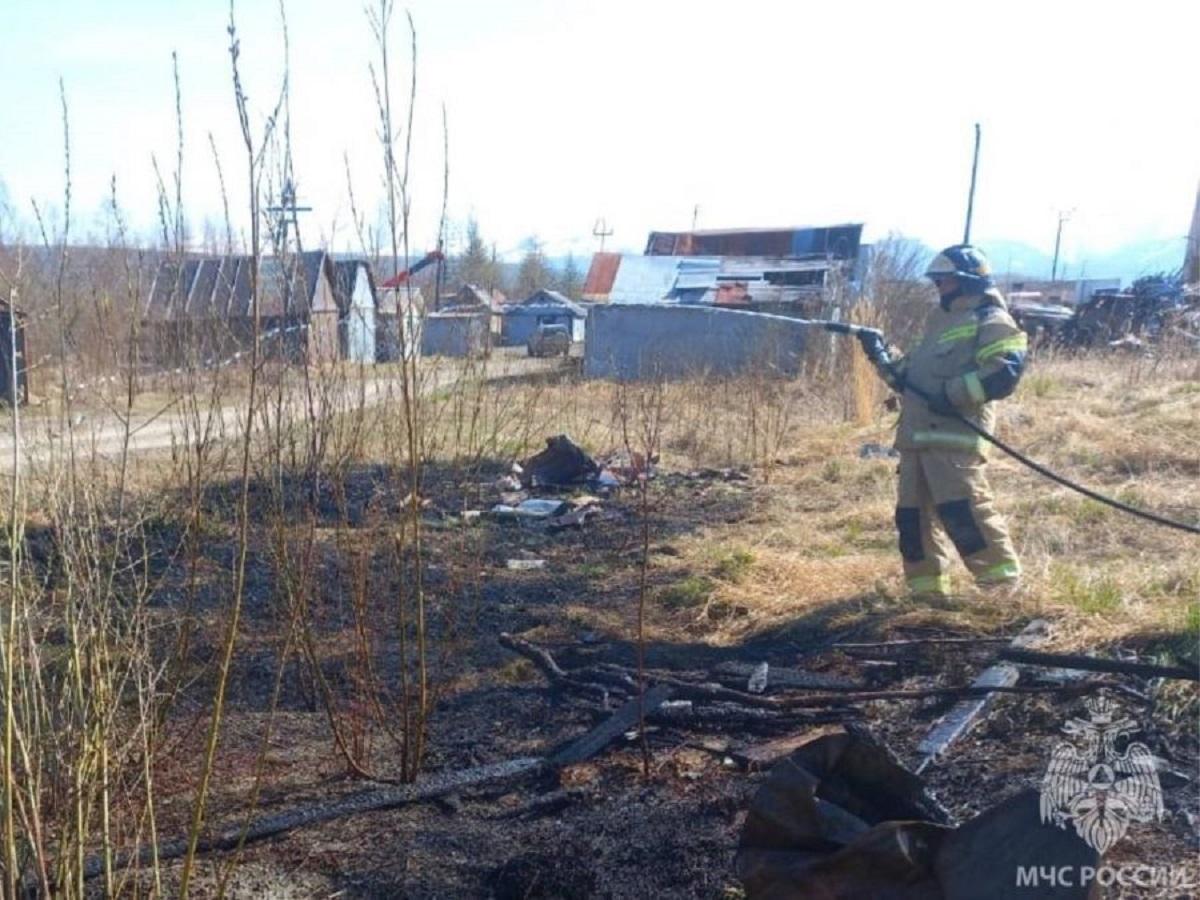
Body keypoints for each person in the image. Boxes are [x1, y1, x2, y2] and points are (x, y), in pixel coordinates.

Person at [858, 244, 1028, 602]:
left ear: (967, 280)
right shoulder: (939, 322)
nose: (938, 287)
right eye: (936, 281)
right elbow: (910, 379)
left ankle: (1002, 593)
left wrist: (952, 395)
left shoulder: (991, 319)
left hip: (954, 440)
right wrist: (880, 354)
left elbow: (1004, 373)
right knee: (911, 520)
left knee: (963, 514)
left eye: (944, 280)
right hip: (916, 440)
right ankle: (927, 598)